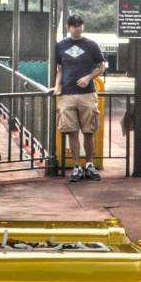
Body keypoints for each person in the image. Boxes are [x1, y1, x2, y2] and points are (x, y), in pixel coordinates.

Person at [52, 14, 107, 182]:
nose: (78, 27)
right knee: (71, 132)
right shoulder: (60, 46)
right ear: (69, 28)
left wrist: (89, 78)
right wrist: (57, 86)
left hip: (88, 94)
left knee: (89, 131)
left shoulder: (91, 45)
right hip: (67, 94)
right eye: (74, 25)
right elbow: (60, 69)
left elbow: (101, 67)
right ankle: (77, 165)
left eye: (80, 24)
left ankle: (89, 164)